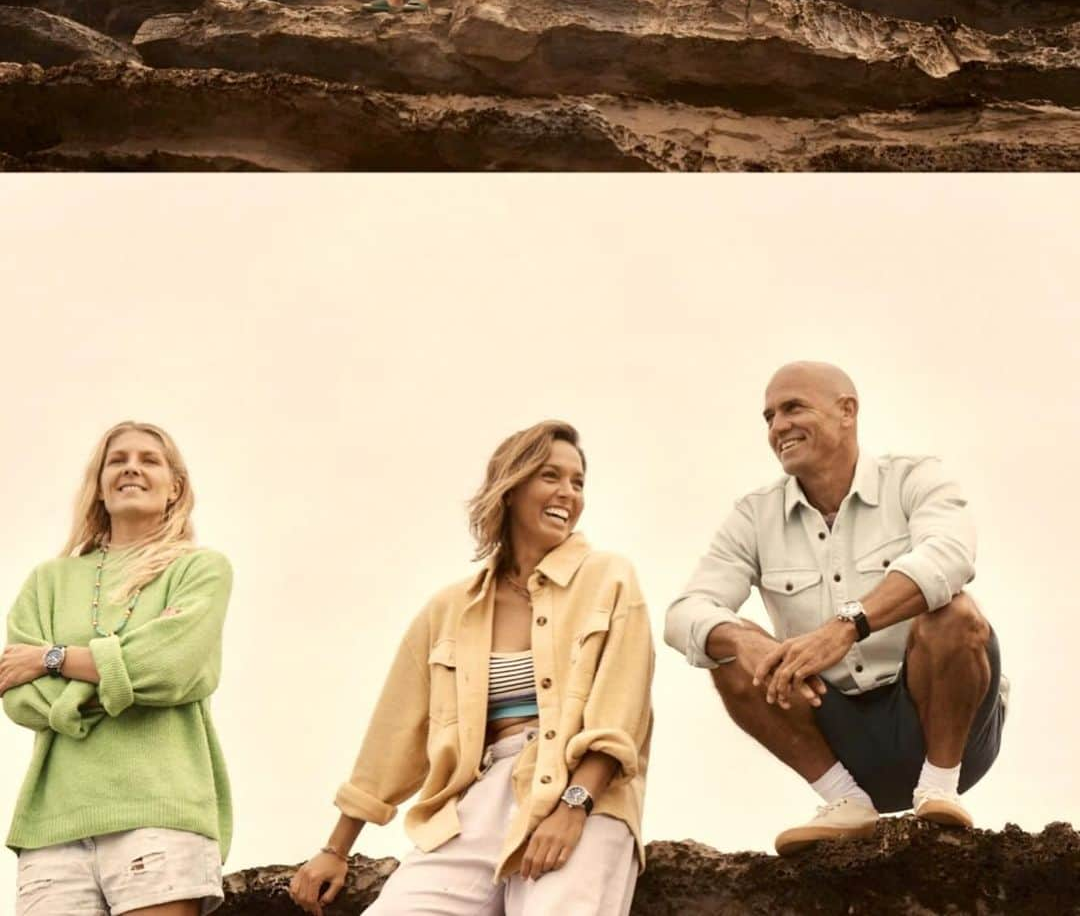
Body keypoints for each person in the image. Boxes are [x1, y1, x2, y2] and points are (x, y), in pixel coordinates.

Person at [290, 419, 653, 916]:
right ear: (509, 487)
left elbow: (621, 711)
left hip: (586, 796)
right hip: (473, 809)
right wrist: (336, 850)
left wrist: (573, 807)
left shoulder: (609, 577)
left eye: (578, 482)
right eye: (550, 476)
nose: (567, 493)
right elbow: (392, 738)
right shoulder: (450, 610)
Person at [665, 362, 1006, 857]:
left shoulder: (915, 477)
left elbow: (949, 556)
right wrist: (746, 640)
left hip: (947, 727)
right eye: (768, 416)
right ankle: (845, 802)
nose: (777, 426)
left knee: (955, 613)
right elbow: (683, 612)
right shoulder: (753, 515)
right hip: (841, 733)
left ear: (847, 411)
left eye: (793, 407)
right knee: (724, 646)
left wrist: (849, 625)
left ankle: (938, 791)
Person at [1, 421, 233, 915]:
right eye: (117, 459)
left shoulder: (199, 570)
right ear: (99, 485)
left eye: (149, 459)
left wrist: (54, 659)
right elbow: (18, 695)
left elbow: (168, 668)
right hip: (52, 825)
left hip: (159, 812)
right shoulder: (48, 580)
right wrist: (120, 675)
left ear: (176, 487)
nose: (131, 467)